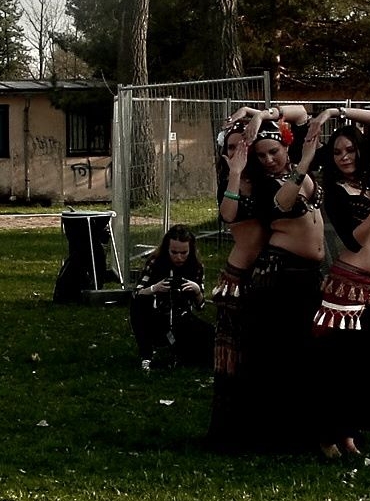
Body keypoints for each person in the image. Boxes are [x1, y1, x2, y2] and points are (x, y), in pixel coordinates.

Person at [207, 105, 308, 450]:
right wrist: (235, 172)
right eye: (232, 147)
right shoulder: (231, 182)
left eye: (244, 145)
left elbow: (301, 115)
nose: (240, 151)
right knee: (234, 354)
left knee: (261, 351)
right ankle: (232, 432)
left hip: (265, 275)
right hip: (237, 277)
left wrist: (259, 113)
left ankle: (268, 425)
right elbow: (227, 215)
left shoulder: (268, 178)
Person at [306, 107, 370, 459]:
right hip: (350, 288)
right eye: (337, 152)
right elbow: (353, 240)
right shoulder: (335, 191)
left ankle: (350, 435)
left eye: (350, 149)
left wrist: (335, 111)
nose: (344, 157)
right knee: (341, 365)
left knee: (369, 367)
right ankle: (328, 436)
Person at [242, 106, 325, 452]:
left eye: (273, 152)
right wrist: (303, 163)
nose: (268, 160)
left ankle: (306, 429)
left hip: (309, 274)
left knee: (310, 352)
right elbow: (282, 204)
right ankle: (281, 433)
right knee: (287, 352)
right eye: (261, 155)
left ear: (285, 146)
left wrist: (262, 115)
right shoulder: (263, 186)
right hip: (282, 274)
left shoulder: (298, 169)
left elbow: (303, 113)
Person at [129, 224, 214, 371]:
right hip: (156, 316)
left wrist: (197, 291)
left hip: (182, 317)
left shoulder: (196, 267)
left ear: (190, 250)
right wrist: (155, 288)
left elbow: (201, 306)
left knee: (210, 339)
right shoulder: (155, 262)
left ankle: (182, 352)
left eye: (184, 253)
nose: (179, 257)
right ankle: (146, 354)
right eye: (174, 252)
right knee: (138, 304)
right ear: (166, 249)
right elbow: (136, 293)